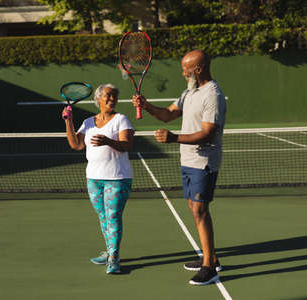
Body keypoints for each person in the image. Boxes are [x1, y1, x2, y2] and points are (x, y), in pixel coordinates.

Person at [133, 49, 227, 285]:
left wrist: (174, 138)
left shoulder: (212, 95)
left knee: (199, 211)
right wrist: (147, 106)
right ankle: (210, 257)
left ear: (198, 68)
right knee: (194, 209)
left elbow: (208, 133)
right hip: (187, 159)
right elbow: (167, 115)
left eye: (186, 69)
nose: (183, 73)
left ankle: (209, 267)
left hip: (203, 160)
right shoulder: (189, 92)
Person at [63, 83, 134, 274]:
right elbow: (76, 144)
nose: (111, 99)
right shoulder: (88, 122)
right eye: (108, 96)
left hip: (117, 178)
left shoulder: (121, 119)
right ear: (99, 99)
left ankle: (114, 257)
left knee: (112, 216)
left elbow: (127, 144)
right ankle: (110, 250)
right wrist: (68, 121)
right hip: (93, 179)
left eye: (114, 96)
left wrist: (108, 141)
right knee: (103, 217)